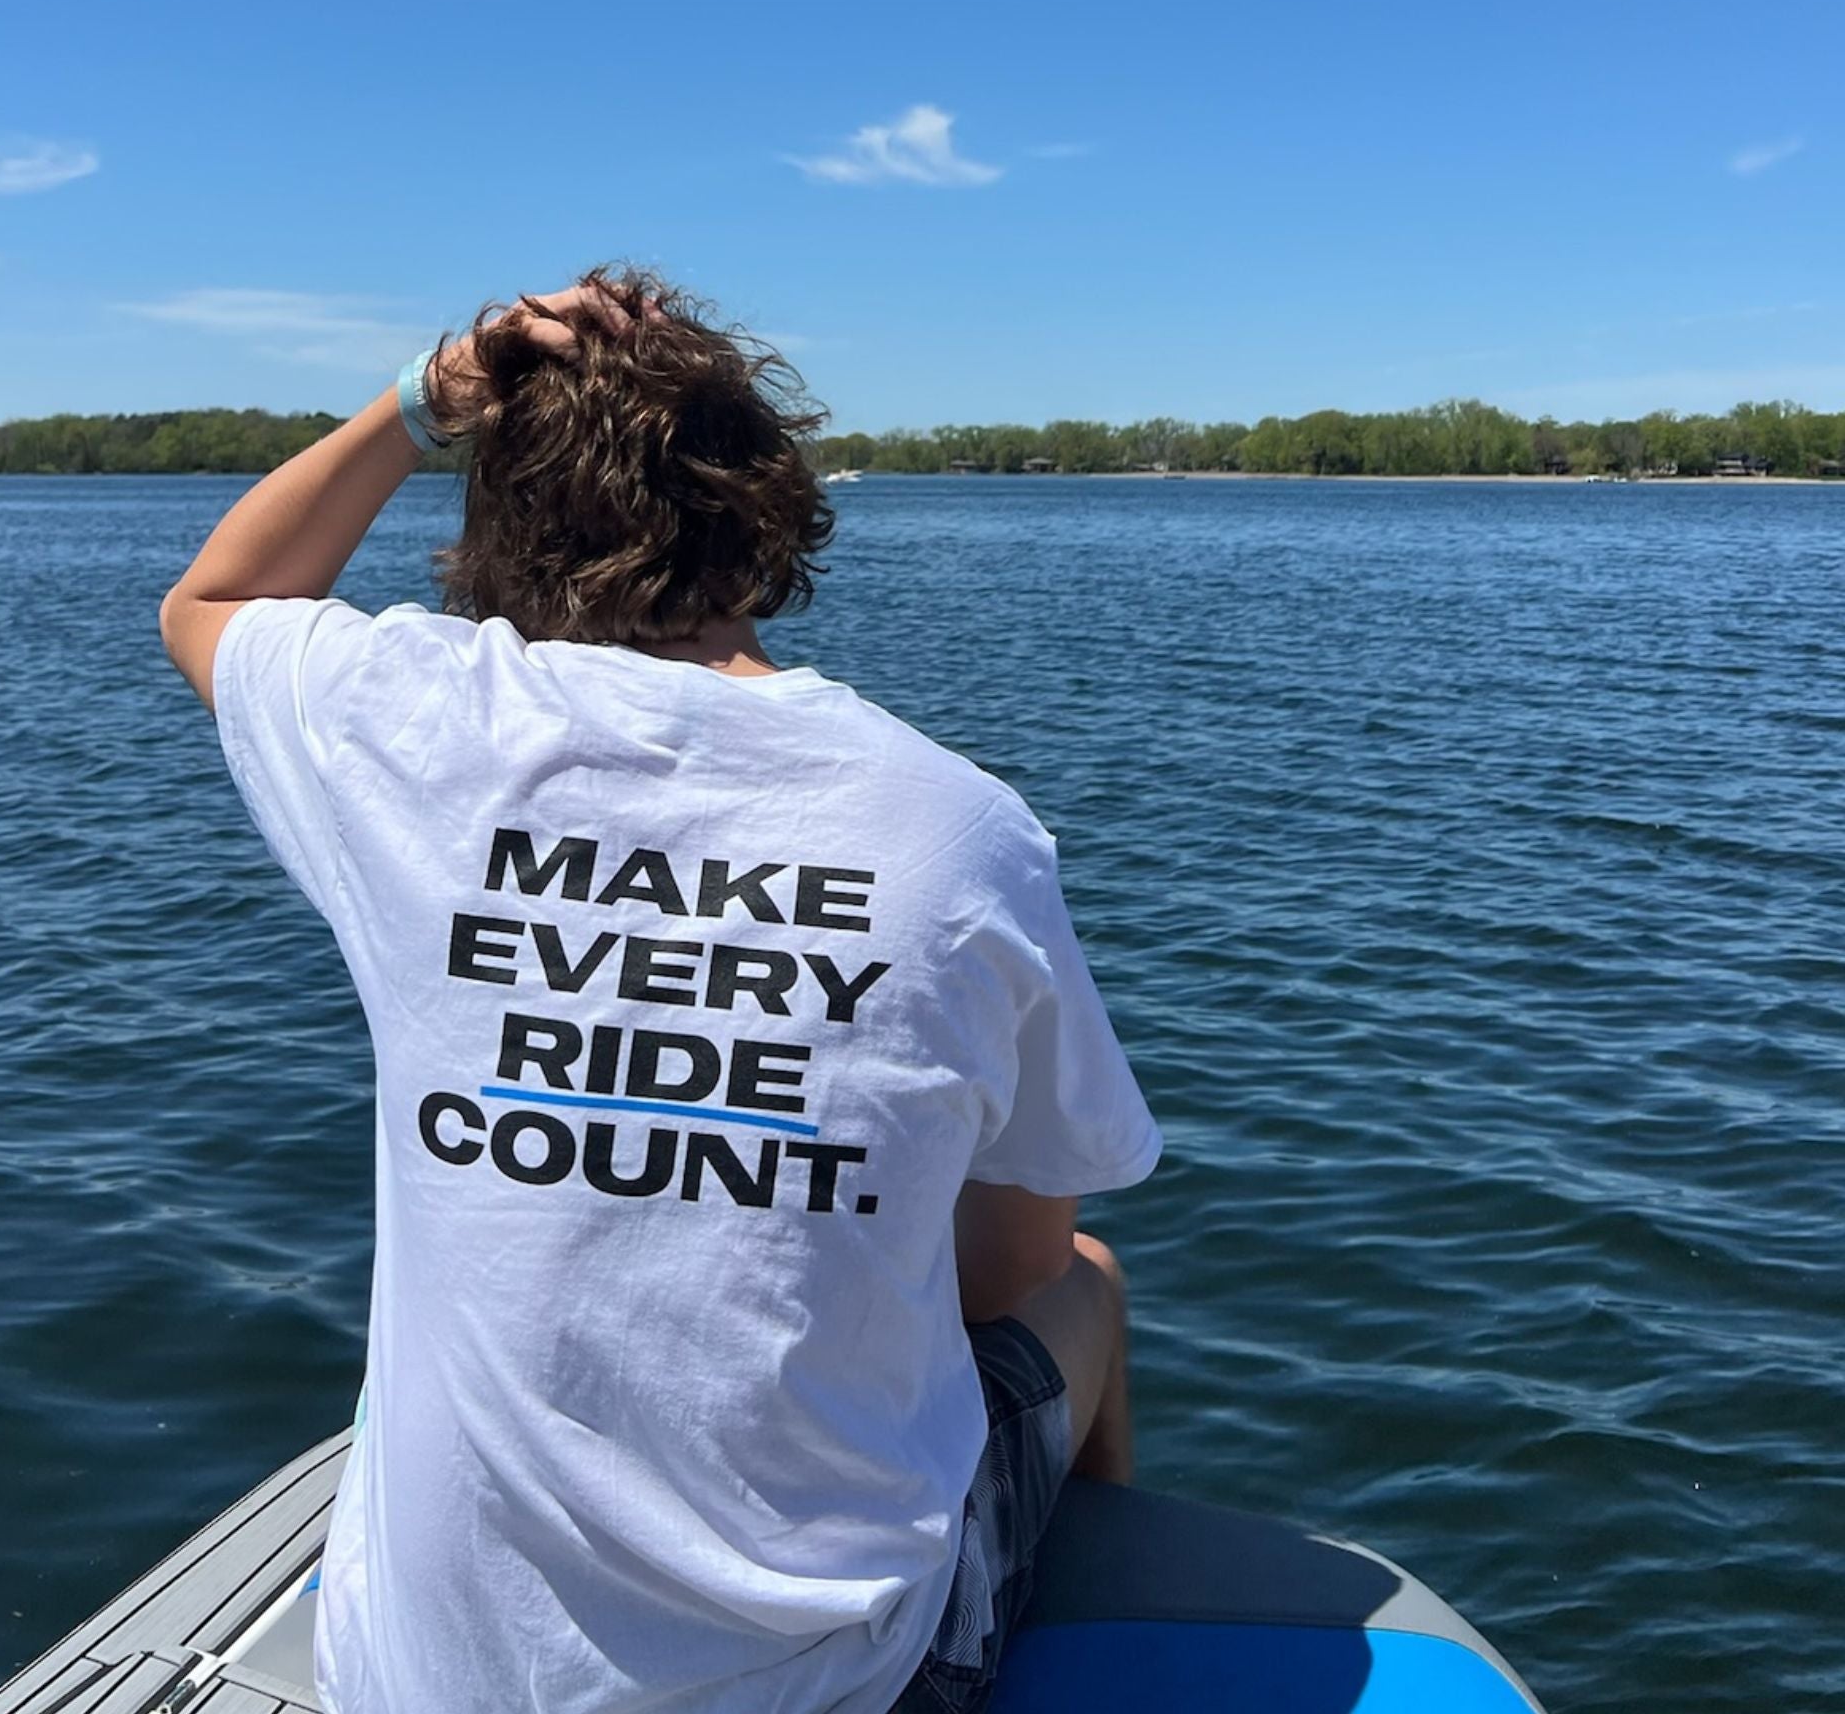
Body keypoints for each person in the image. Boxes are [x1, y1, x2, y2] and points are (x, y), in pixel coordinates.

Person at [160, 267, 1162, 1714]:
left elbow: (222, 593)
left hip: (422, 1685)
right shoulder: (959, 830)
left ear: (497, 518)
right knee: (1089, 1289)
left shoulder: (417, 732)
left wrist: (416, 403)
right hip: (833, 1687)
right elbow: (1007, 1269)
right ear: (760, 511)